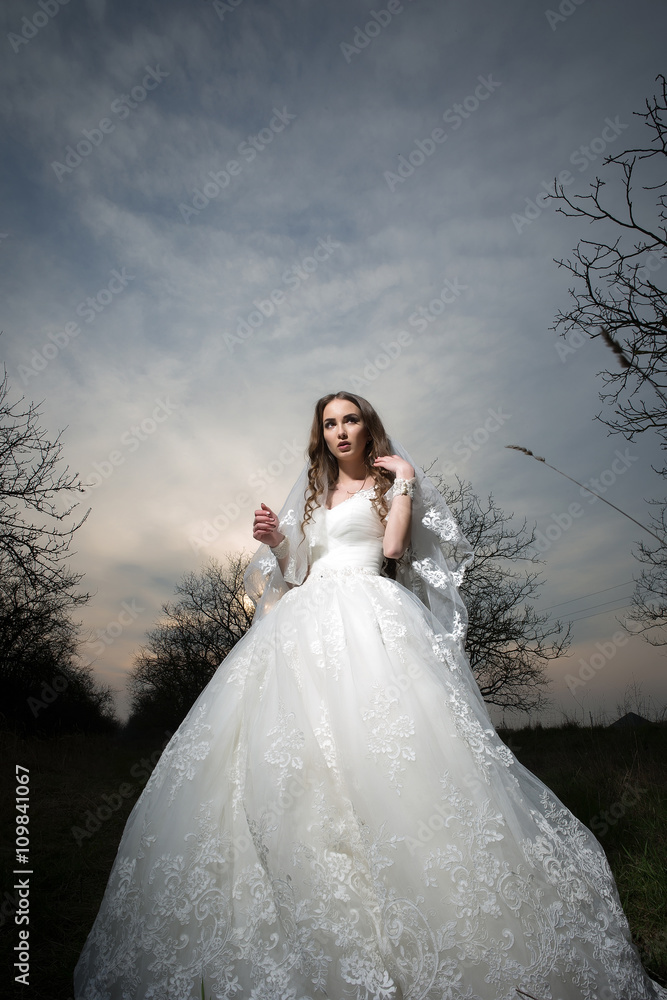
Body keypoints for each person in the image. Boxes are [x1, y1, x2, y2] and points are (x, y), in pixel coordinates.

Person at [74, 391, 666, 1000]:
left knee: (387, 757)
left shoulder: (387, 483)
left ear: (368, 426)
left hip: (370, 616)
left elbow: (392, 552)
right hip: (301, 626)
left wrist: (405, 481)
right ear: (321, 434)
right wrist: (279, 540)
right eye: (329, 423)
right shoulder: (313, 490)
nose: (339, 431)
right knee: (291, 765)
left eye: (349, 419)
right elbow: (298, 571)